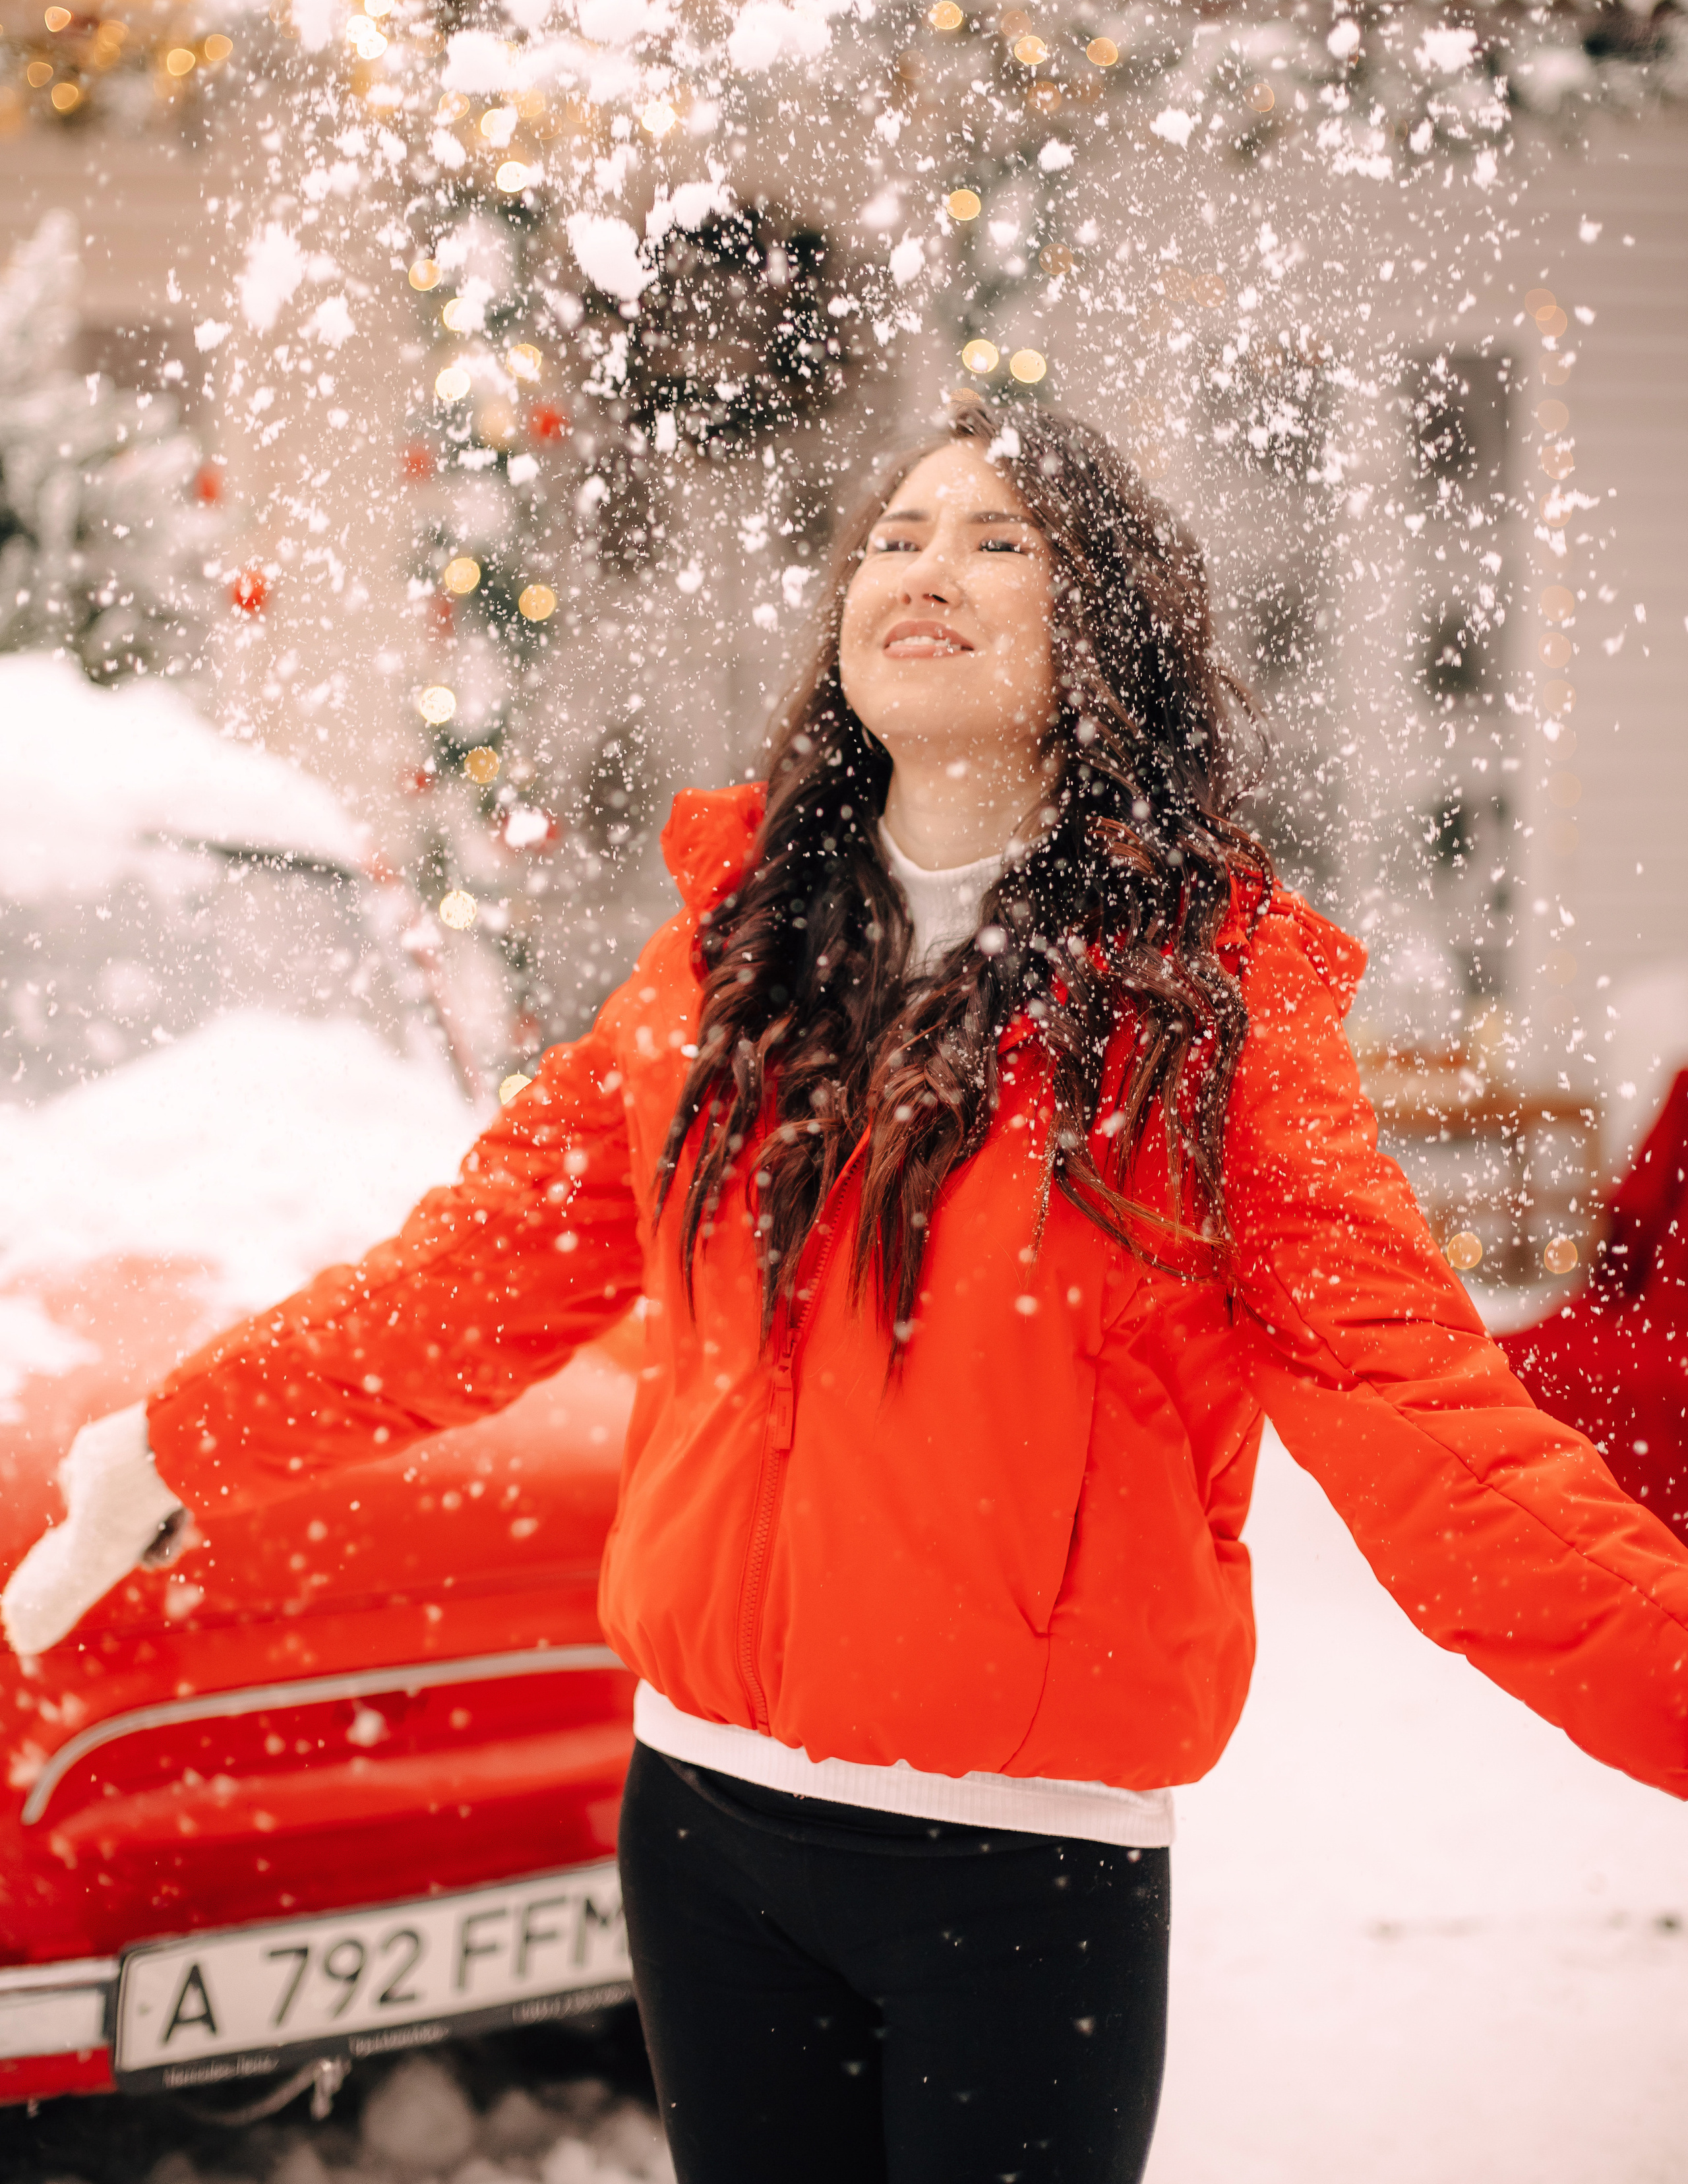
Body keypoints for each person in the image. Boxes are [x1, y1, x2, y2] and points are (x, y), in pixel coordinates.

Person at [8, 400, 1688, 2184]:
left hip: (1019, 1870)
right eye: (895, 535)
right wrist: (173, 1445)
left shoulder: (1206, 1021)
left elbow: (1443, 1441)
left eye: (998, 539)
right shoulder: (729, 965)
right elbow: (472, 1274)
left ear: (1099, 625)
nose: (927, 569)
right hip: (705, 1832)